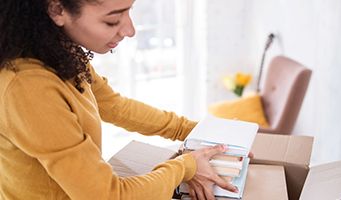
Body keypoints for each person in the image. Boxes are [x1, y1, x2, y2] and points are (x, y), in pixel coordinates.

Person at [0, 0, 238, 199]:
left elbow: (115, 106)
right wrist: (186, 166)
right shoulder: (29, 88)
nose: (130, 30)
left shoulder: (59, 53)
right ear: (57, 10)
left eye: (129, 11)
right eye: (112, 20)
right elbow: (110, 196)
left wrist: (196, 131)